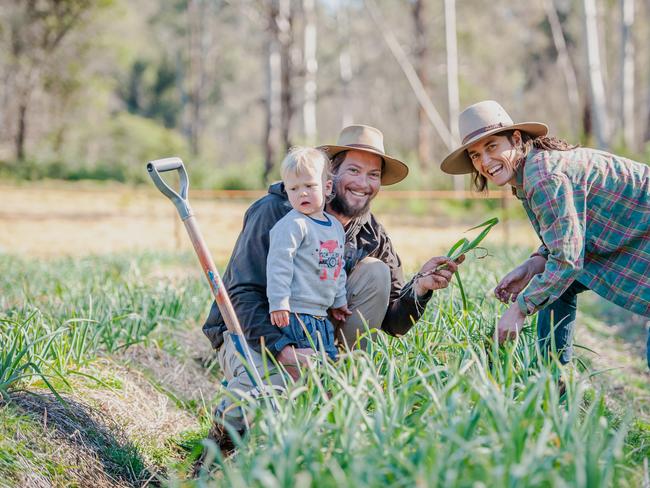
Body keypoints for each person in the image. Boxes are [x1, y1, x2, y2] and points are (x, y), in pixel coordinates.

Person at [202, 124, 463, 452]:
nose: (363, 183)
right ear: (331, 175)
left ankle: (334, 384)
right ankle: (227, 429)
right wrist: (285, 351)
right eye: (353, 170)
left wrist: (421, 288)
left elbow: (393, 320)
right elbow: (242, 295)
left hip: (318, 333)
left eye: (373, 174)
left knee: (376, 273)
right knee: (265, 409)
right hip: (254, 332)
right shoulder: (277, 212)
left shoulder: (371, 234)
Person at [440, 99, 650, 367]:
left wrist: (519, 310)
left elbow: (567, 259)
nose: (485, 161)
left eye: (492, 147)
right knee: (553, 285)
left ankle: (550, 382)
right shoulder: (531, 172)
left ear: (516, 139)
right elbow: (567, 236)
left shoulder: (543, 176)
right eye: (475, 155)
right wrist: (531, 267)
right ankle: (551, 382)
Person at [267, 146, 349, 364]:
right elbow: (278, 265)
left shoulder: (335, 227)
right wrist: (279, 302)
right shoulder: (293, 225)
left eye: (310, 186)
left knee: (327, 363)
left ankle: (323, 398)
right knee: (308, 364)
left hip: (322, 314)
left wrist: (339, 300)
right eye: (293, 189)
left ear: (327, 187)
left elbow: (336, 267)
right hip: (296, 313)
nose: (302, 193)